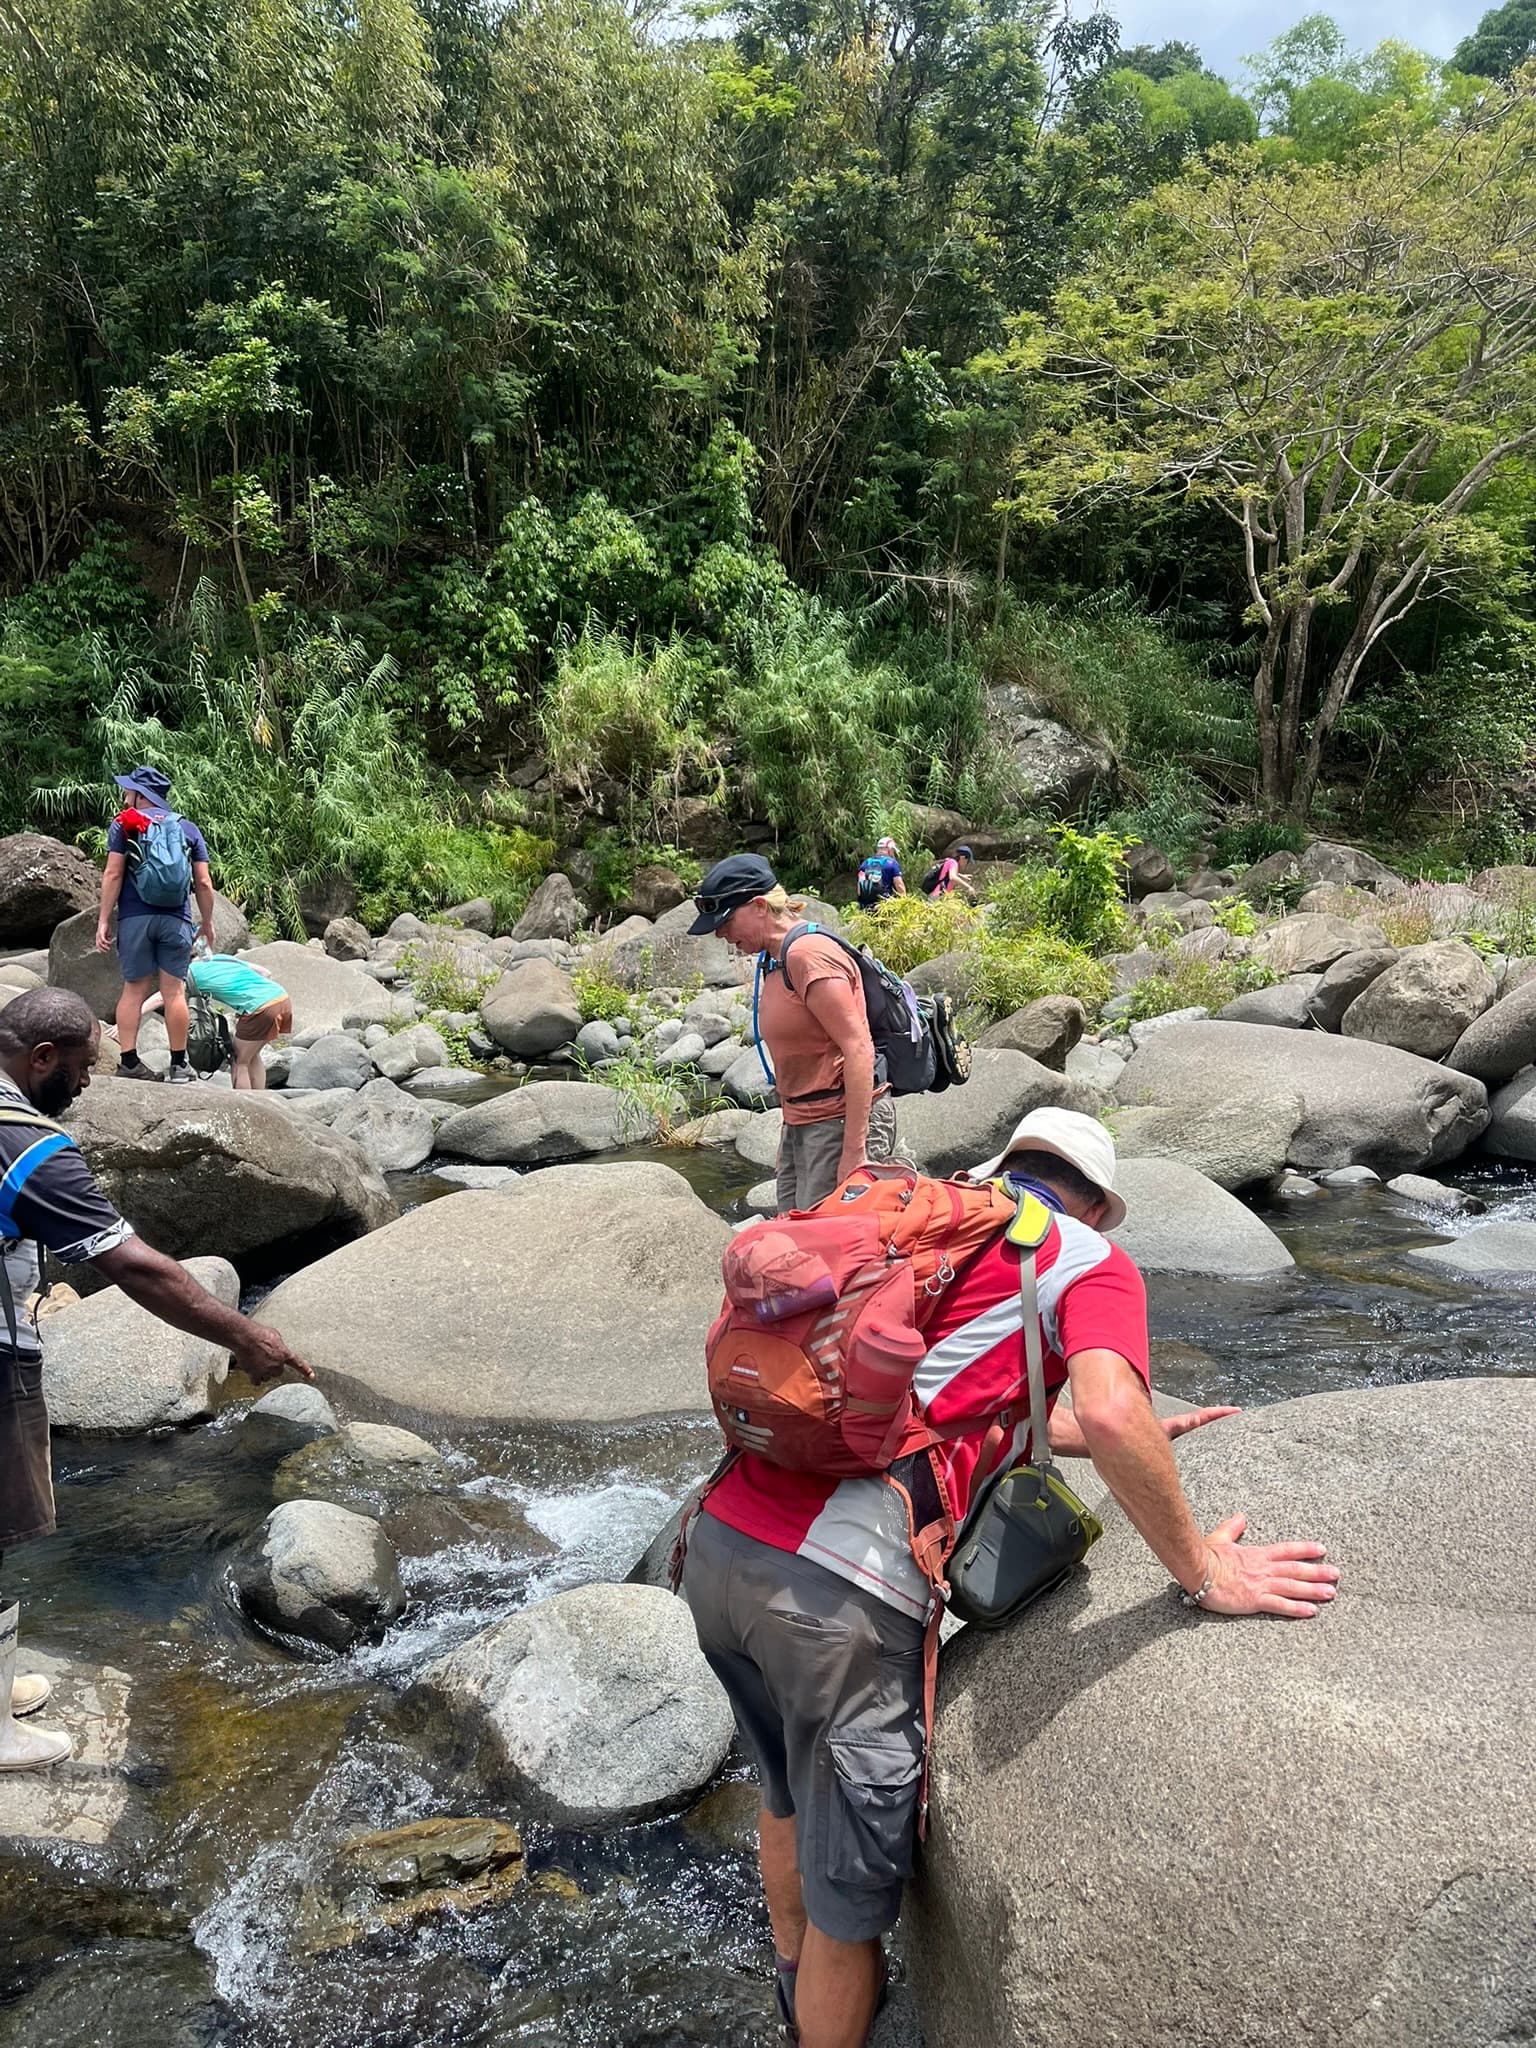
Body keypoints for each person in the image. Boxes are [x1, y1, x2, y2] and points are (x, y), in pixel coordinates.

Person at [680, 1107, 1338, 2048]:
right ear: (1098, 1207)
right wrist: (1202, 1568)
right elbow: (1108, 1411)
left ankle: (790, 1996)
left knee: (785, 1790)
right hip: (836, 1599)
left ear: (1006, 1168)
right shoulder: (1086, 1258)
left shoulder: (918, 1223)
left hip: (719, 1547)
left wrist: (1140, 1436)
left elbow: (940, 1398)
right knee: (850, 1906)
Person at [0, 988, 314, 1771]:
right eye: (80, 1069)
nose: (85, 1085)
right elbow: (138, 1269)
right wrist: (247, 1337)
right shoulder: (28, 1147)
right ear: (42, 1058)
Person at [689, 854, 901, 1212]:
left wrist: (854, 1152)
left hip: (837, 1122)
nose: (720, 933)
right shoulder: (775, 957)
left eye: (726, 920)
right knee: (794, 1229)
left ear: (759, 906)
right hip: (804, 1121)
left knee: (829, 1238)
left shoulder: (809, 955)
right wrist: (790, 1136)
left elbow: (859, 1049)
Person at [95, 766, 215, 1086]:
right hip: (176, 919)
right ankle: (179, 1066)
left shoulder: (124, 824)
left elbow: (113, 874)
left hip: (135, 918)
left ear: (141, 795)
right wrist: (207, 923)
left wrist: (103, 919)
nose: (125, 796)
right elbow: (203, 883)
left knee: (134, 989)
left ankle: (129, 1062)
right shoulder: (187, 828)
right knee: (173, 991)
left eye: (129, 790)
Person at [137, 950, 292, 1090]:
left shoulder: (189, 973)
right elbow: (266, 973)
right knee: (252, 1055)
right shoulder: (220, 958)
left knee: (239, 1060)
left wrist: (135, 1016)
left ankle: (245, 1101)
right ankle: (261, 1098)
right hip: (282, 999)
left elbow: (162, 997)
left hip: (261, 1007)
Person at [854, 838, 906, 909]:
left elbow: (859, 890)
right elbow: (899, 885)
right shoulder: (892, 863)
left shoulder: (865, 863)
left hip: (865, 907)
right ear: (890, 849)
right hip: (884, 906)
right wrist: (904, 902)